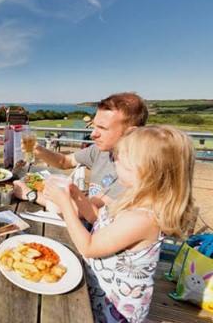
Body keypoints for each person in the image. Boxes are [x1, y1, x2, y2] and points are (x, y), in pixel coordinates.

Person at [44, 126, 195, 322]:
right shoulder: (135, 197)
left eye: (120, 161)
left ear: (146, 171)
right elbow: (98, 219)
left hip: (114, 308)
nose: (115, 163)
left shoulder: (143, 218)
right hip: (99, 288)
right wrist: (76, 195)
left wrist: (65, 203)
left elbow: (89, 247)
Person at [14, 92, 148, 207]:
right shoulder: (100, 150)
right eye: (94, 126)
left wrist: (31, 195)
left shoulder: (134, 171)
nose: (93, 134)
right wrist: (39, 150)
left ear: (130, 133)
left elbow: (90, 212)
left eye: (102, 128)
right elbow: (64, 161)